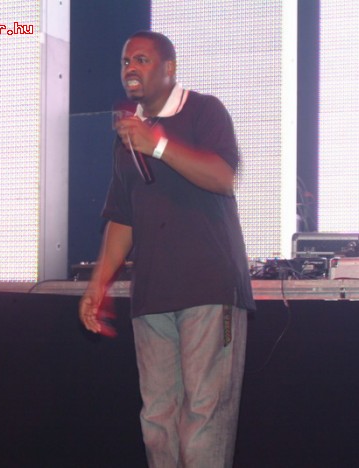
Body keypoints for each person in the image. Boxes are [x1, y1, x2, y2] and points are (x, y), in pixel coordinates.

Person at [79, 31, 255, 468]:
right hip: (152, 295)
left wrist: (156, 144)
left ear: (169, 68)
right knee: (157, 418)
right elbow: (122, 220)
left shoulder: (204, 110)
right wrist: (97, 285)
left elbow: (222, 177)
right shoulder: (127, 136)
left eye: (141, 59)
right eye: (125, 62)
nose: (130, 69)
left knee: (204, 414)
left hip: (209, 288)